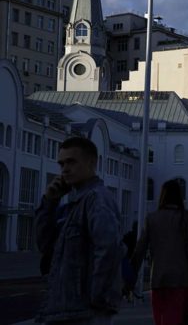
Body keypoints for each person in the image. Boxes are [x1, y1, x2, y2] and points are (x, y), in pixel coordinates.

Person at [35, 136, 124, 325]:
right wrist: (49, 202)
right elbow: (44, 245)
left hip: (84, 312)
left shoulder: (97, 199)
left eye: (71, 162)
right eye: (62, 164)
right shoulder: (72, 204)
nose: (65, 169)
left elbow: (108, 249)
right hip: (65, 310)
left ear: (92, 162)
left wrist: (97, 296)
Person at [131, 179, 188, 325]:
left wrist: (130, 278)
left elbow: (140, 249)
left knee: (161, 319)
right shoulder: (187, 218)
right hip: (181, 280)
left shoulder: (152, 218)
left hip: (158, 279)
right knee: (179, 319)